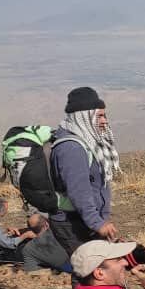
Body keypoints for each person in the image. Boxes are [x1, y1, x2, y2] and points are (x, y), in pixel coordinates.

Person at [49, 87, 119, 255]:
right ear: (84, 117)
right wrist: (97, 223)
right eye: (99, 116)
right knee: (87, 269)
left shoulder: (88, 143)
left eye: (104, 115)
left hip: (84, 219)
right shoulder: (72, 148)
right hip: (72, 221)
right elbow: (79, 191)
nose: (104, 121)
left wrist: (102, 217)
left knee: (94, 267)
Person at [0, 198, 36, 264]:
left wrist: (5, 231)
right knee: (30, 254)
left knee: (24, 237)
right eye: (5, 211)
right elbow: (9, 244)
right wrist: (25, 235)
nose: (6, 213)